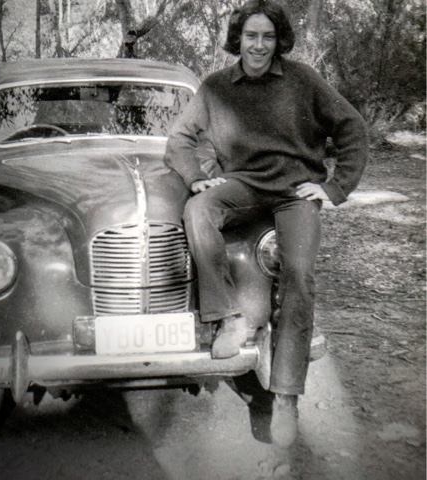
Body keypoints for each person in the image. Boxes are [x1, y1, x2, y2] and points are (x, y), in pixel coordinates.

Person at [164, 0, 368, 448]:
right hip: (243, 185)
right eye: (251, 36)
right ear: (238, 39)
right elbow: (178, 139)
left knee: (298, 275)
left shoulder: (303, 80)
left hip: (296, 192)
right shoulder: (216, 87)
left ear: (279, 42)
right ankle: (229, 318)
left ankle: (286, 399)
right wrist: (196, 178)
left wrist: (334, 188)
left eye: (268, 37)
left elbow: (352, 127)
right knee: (198, 210)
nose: (259, 45)